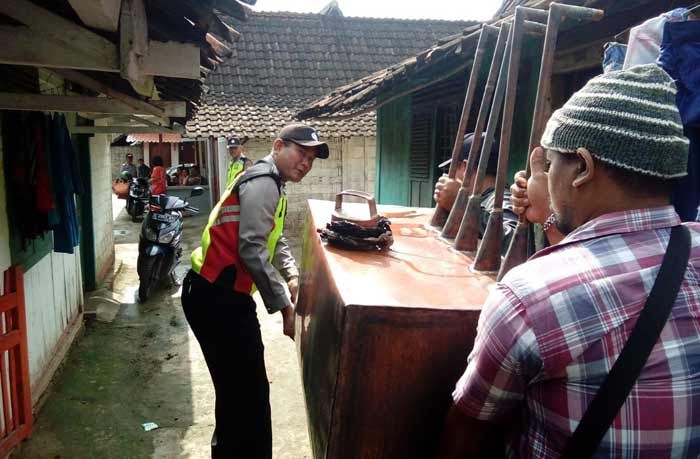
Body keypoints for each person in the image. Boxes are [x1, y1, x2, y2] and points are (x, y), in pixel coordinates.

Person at [437, 64, 700, 458]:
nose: (542, 173)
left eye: (551, 162)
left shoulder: (528, 296)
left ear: (582, 168)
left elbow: (469, 430)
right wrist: (549, 216)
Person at [181, 124, 329, 458]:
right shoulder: (264, 183)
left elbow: (272, 239)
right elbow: (251, 248)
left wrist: (291, 273)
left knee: (239, 393)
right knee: (247, 396)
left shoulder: (271, 182)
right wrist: (285, 307)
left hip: (216, 294)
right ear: (278, 146)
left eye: (312, 159)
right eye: (301, 153)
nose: (306, 163)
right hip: (217, 297)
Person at [434, 132, 517, 241]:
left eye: (454, 168)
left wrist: (461, 206)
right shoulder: (485, 198)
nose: (451, 175)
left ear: (465, 167)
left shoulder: (500, 200)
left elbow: (512, 240)